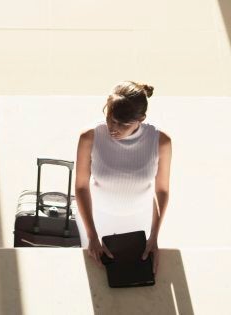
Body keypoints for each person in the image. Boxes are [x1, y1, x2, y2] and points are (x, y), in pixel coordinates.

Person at [74, 81, 172, 274]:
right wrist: (92, 235)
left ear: (141, 119)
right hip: (96, 219)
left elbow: (161, 190)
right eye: (110, 119)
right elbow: (81, 187)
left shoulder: (160, 141)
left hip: (140, 221)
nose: (113, 128)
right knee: (97, 278)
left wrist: (154, 235)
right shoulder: (90, 136)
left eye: (123, 124)